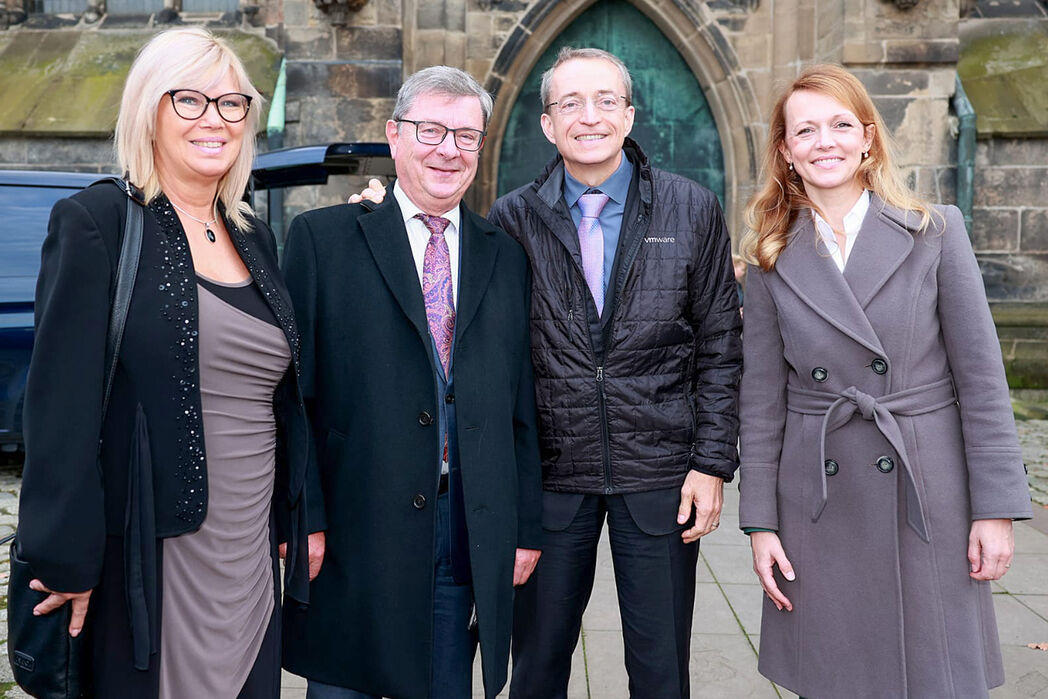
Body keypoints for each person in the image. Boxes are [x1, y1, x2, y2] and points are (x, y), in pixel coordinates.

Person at [17, 27, 320, 698]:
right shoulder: (98, 222)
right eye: (190, 100)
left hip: (248, 554)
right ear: (149, 109)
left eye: (232, 103)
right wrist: (63, 558)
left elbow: (283, 397)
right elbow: (58, 408)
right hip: (152, 555)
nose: (215, 119)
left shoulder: (254, 236)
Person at [738, 63, 1032, 698]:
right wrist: (760, 523)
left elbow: (982, 382)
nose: (825, 143)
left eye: (841, 124)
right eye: (805, 130)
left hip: (926, 487)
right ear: (785, 150)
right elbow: (761, 406)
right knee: (835, 677)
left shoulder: (936, 231)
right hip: (817, 500)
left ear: (868, 137)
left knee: (933, 678)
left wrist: (996, 509)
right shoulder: (766, 260)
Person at [279, 66, 542, 699]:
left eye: (466, 135)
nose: (448, 149)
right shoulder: (323, 240)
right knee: (345, 686)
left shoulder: (504, 256)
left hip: (463, 524)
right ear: (395, 136)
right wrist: (303, 516)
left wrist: (523, 528)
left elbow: (520, 408)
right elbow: (293, 397)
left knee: (444, 682)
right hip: (353, 522)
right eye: (432, 130)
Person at [488, 47, 742, 698]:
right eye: (569, 103)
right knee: (536, 666)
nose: (589, 115)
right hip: (550, 476)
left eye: (605, 100)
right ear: (547, 125)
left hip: (660, 472)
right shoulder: (513, 218)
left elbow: (720, 339)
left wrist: (711, 462)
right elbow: (494, 356)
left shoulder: (692, 208)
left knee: (661, 673)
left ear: (630, 115)